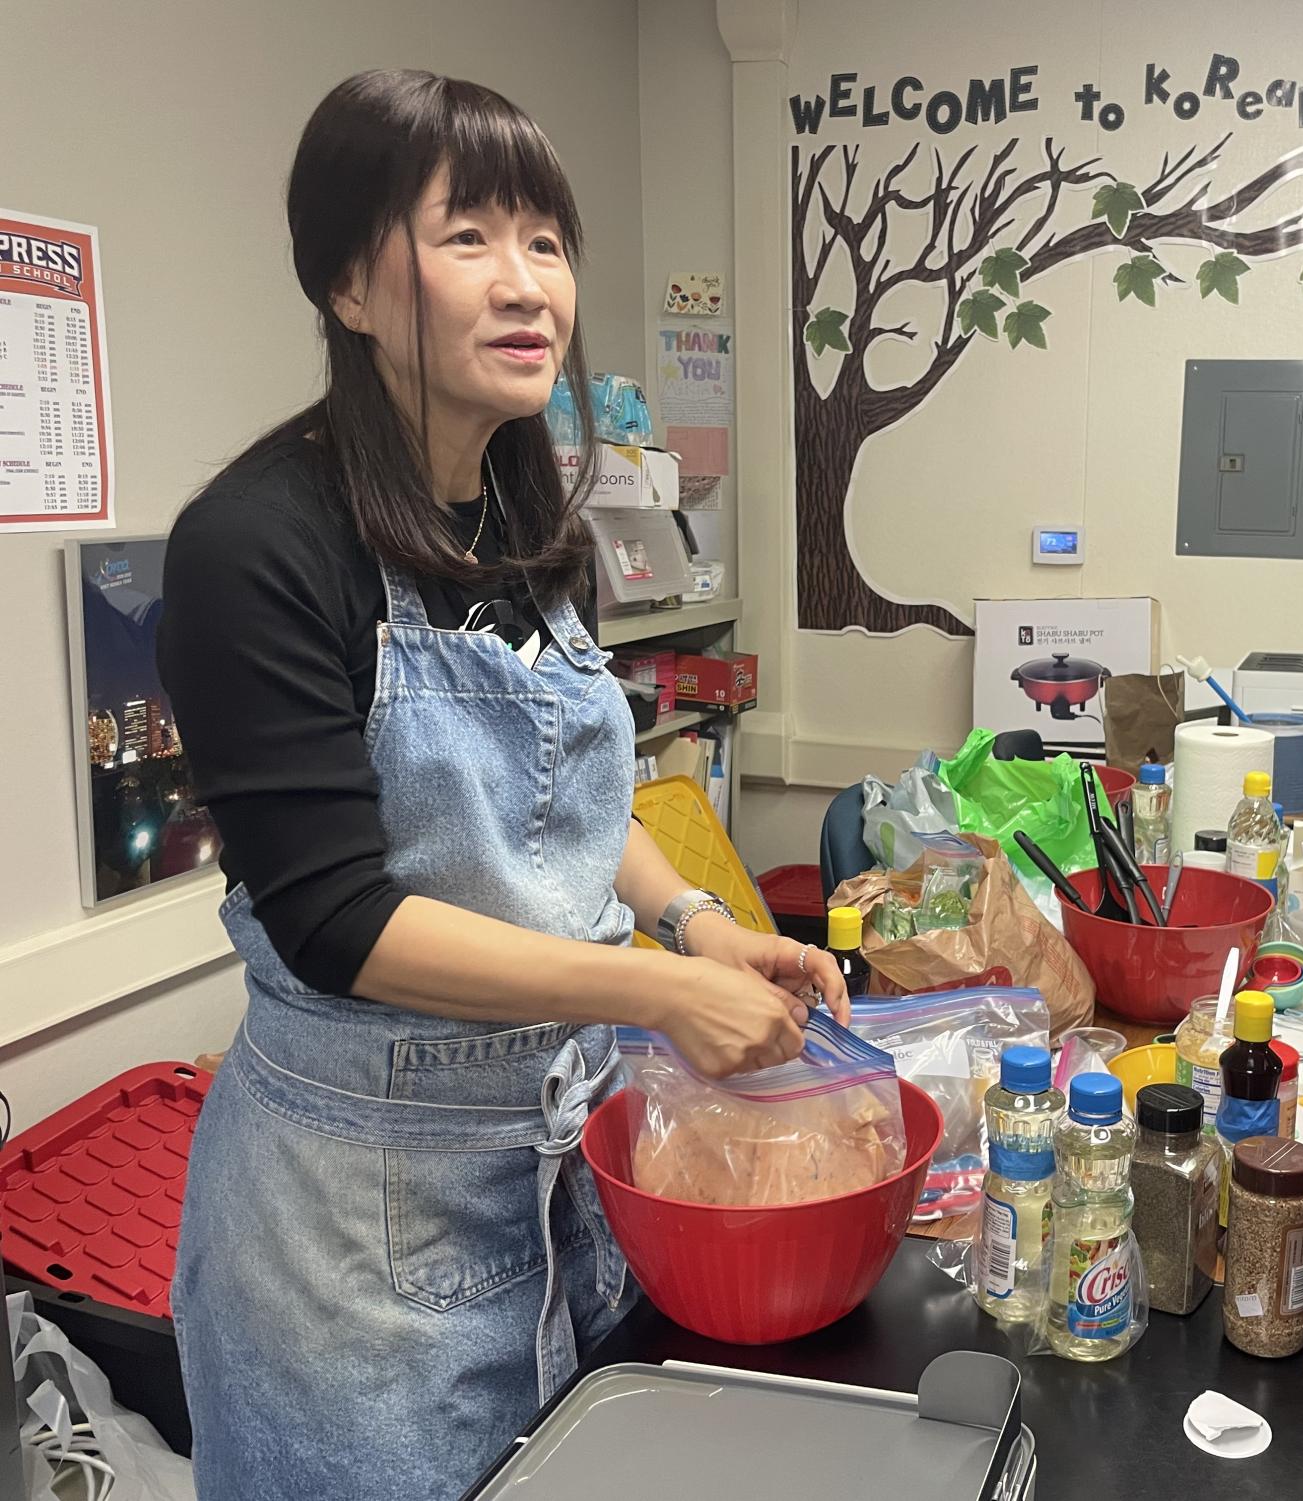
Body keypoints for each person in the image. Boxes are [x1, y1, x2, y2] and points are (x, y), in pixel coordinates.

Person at [159, 71, 847, 1501]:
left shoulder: (525, 514)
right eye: (467, 235)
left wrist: (697, 929)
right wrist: (661, 997)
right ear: (351, 281)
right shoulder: (257, 543)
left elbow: (566, 803)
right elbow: (337, 921)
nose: (527, 283)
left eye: (546, 239)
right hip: (355, 1239)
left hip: (555, 1174)